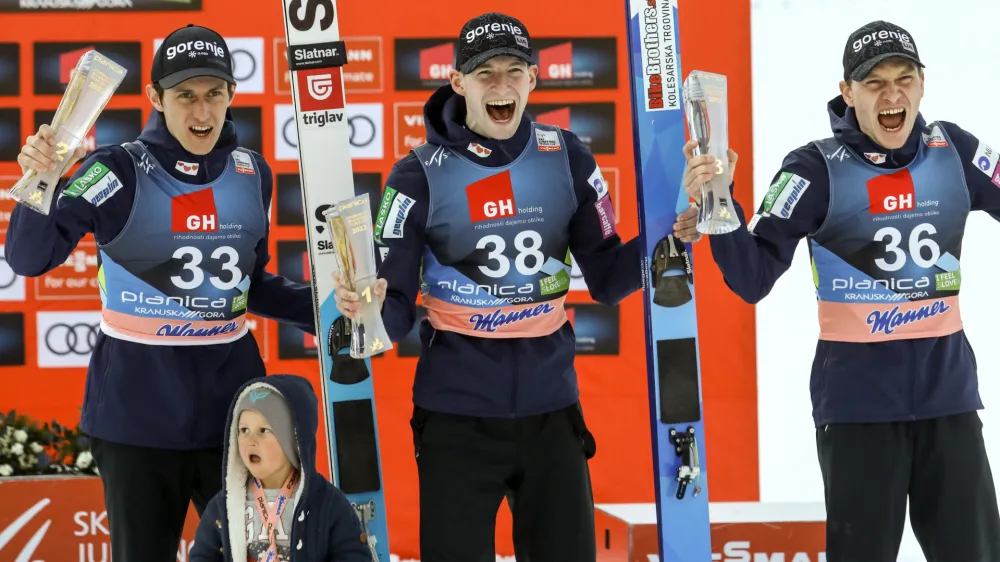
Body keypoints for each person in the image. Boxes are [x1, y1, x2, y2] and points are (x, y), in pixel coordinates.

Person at [674, 20, 1000, 562]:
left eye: (903, 79)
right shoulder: (814, 168)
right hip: (858, 409)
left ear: (923, 82)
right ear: (848, 93)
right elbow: (751, 279)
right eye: (874, 84)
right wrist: (718, 204)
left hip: (949, 402)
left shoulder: (956, 150)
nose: (892, 95)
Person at [333, 12, 651, 562]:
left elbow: (605, 277)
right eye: (485, 74)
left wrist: (669, 236)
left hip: (552, 413)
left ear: (533, 78)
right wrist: (369, 313)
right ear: (458, 82)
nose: (500, 86)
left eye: (513, 71)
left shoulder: (568, 155)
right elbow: (398, 311)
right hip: (457, 419)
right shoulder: (417, 174)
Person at [7, 24, 315, 562]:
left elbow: (248, 286)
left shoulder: (251, 173)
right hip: (136, 414)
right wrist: (41, 185)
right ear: (155, 98)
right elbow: (30, 260)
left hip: (234, 414)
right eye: (186, 96)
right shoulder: (114, 171)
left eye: (214, 94)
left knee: (256, 553)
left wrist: (330, 311)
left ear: (231, 96)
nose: (202, 113)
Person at [190, 374, 371, 561]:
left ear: (294, 441)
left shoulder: (327, 503)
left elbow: (353, 555)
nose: (251, 441)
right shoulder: (224, 505)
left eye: (264, 431)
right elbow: (202, 556)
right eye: (244, 430)